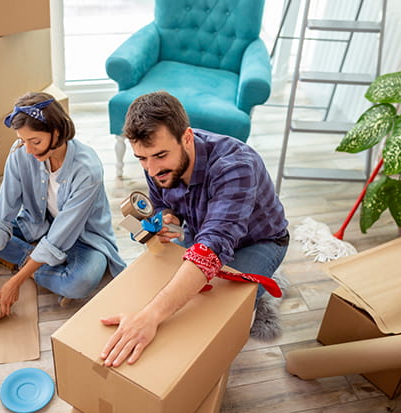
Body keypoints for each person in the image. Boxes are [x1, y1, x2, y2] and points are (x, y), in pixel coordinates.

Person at [100, 91, 288, 367]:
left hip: (258, 241)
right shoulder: (157, 160)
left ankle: (261, 288)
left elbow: (213, 246)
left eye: (160, 156)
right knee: (174, 290)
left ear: (187, 137)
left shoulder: (235, 166)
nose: (151, 170)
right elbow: (164, 203)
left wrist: (150, 316)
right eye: (142, 159)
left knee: (215, 318)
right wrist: (168, 217)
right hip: (201, 233)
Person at [0, 92, 126, 318]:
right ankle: (34, 260)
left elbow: (61, 235)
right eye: (23, 140)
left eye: (35, 141)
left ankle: (19, 260)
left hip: (83, 240)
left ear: (56, 132)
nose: (27, 149)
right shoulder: (21, 153)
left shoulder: (87, 170)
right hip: (36, 225)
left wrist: (14, 282)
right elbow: (2, 214)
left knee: (79, 283)